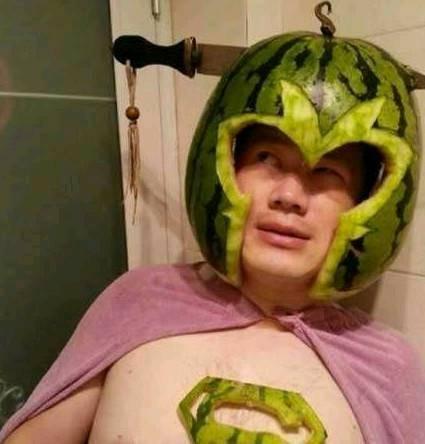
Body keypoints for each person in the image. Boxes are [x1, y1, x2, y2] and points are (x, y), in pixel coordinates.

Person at [2, 32, 425, 443]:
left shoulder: (389, 368)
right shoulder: (138, 302)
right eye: (267, 159)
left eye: (328, 172)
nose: (289, 196)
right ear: (224, 166)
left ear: (369, 203)